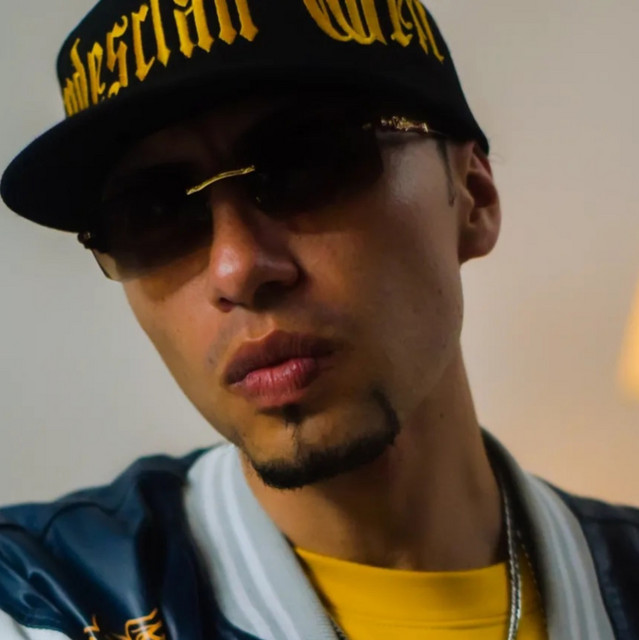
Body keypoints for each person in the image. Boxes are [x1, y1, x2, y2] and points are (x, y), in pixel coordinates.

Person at [0, 1, 637, 639]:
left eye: (308, 164)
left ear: (474, 195)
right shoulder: (44, 595)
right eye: (151, 216)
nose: (237, 269)